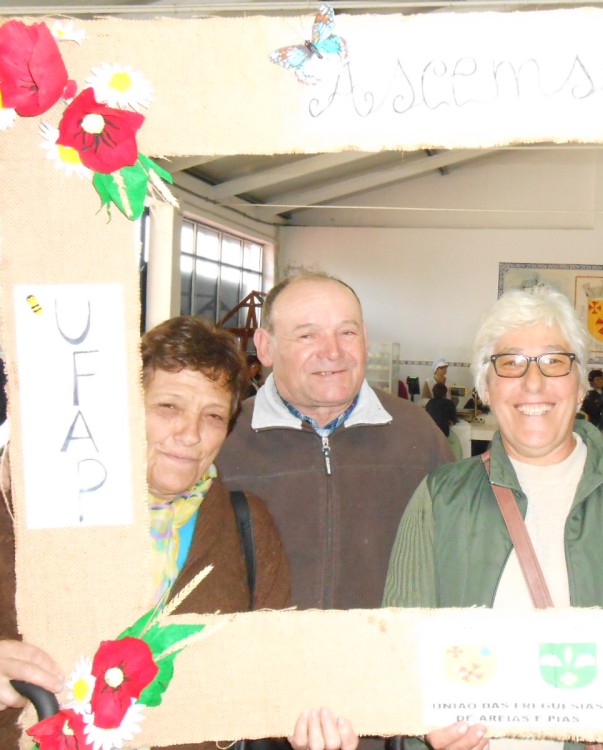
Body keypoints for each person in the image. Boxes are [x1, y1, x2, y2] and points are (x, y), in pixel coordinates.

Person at [0, 316, 349, 750]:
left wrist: (308, 721)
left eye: (213, 416)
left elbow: (272, 674)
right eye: (168, 408)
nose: (189, 435)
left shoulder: (246, 526)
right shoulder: (27, 512)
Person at [383, 287, 603, 750]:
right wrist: (423, 733)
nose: (533, 383)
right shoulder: (438, 498)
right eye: (511, 362)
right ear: (486, 388)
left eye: (554, 361)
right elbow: (397, 660)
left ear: (581, 385)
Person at [216, 271, 453, 612]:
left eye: (347, 332)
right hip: (257, 645)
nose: (332, 351)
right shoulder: (223, 439)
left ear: (365, 340)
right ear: (266, 347)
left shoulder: (417, 433)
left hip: (386, 643)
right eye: (307, 335)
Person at [426, 381, 462, 460]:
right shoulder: (449, 403)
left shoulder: (429, 403)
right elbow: (454, 419)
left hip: (431, 433)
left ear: (433, 392)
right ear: (445, 393)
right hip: (444, 432)